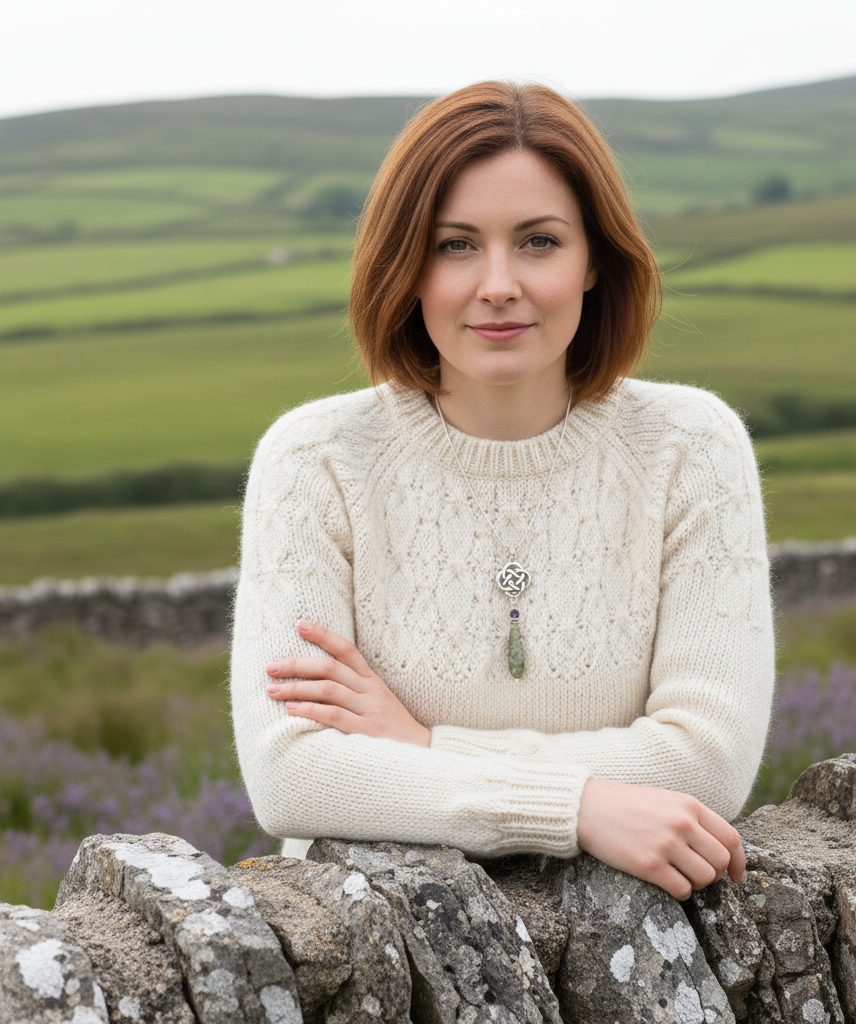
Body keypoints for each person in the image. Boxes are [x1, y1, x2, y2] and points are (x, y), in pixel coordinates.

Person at [231, 81, 774, 902]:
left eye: (538, 242)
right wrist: (576, 805)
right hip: (377, 941)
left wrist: (423, 746)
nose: (497, 283)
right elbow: (292, 777)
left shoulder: (690, 447)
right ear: (406, 265)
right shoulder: (314, 461)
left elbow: (706, 760)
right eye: (455, 245)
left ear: (594, 260)